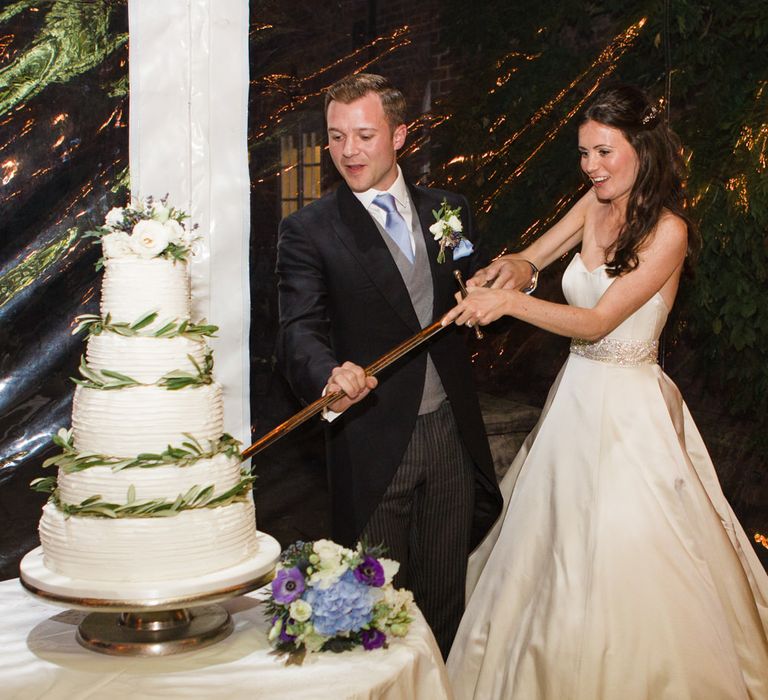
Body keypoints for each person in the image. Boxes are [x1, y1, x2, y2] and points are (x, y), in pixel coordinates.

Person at [442, 84, 768, 698]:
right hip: (576, 399)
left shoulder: (668, 231)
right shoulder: (592, 202)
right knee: (551, 546)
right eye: (584, 153)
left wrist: (509, 303)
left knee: (629, 545)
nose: (591, 166)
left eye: (603, 151)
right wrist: (507, 270)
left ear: (641, 150)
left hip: (630, 410)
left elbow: (596, 322)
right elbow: (535, 257)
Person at [275, 73, 502, 657]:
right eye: (336, 137)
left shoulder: (450, 210)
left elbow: (462, 294)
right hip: (372, 438)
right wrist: (326, 373)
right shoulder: (308, 230)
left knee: (444, 590)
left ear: (400, 135)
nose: (348, 151)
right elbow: (297, 330)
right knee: (373, 603)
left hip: (452, 430)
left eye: (365, 135)